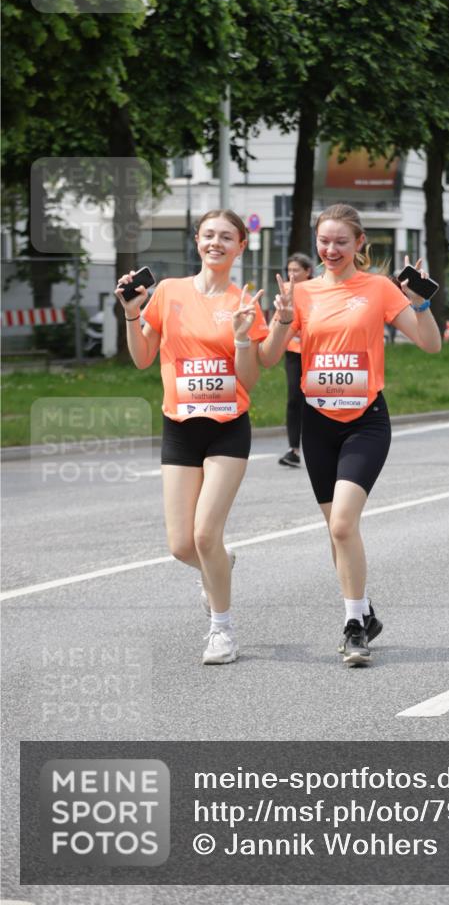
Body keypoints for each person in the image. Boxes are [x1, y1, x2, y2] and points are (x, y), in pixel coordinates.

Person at [264, 203, 442, 667]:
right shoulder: (300, 295)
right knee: (336, 531)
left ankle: (353, 626)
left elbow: (430, 343)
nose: (331, 249)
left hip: (365, 420)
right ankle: (364, 609)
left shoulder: (379, 288)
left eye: (342, 241)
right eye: (324, 241)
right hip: (317, 422)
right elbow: (266, 358)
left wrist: (421, 304)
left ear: (360, 243)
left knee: (343, 523)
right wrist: (282, 319)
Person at [115, 209, 288, 666]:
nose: (216, 242)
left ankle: (222, 630)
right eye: (209, 235)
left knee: (207, 534)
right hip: (179, 428)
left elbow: (248, 379)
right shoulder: (169, 292)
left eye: (226, 237)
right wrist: (132, 314)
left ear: (240, 246)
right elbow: (141, 358)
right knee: (180, 546)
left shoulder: (242, 301)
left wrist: (243, 338)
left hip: (227, 429)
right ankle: (220, 569)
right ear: (197, 241)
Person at [278, 253, 314, 468]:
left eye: (296, 271)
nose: (291, 275)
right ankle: (293, 449)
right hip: (293, 352)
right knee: (294, 399)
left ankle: (317, 445)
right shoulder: (286, 293)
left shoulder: (318, 290)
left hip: (316, 353)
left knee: (315, 399)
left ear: (307, 272)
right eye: (289, 271)